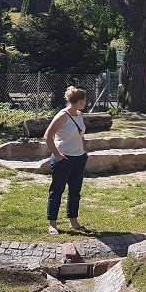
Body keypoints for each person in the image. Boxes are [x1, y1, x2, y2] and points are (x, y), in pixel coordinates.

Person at [45, 86, 90, 235]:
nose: (86, 102)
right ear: (80, 100)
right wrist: (57, 155)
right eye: (85, 100)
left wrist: (84, 150)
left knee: (75, 191)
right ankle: (52, 223)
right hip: (63, 158)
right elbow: (48, 136)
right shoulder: (62, 116)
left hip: (79, 157)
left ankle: (73, 221)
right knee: (57, 190)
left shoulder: (79, 114)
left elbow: (80, 133)